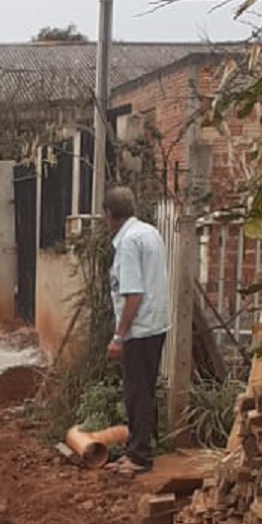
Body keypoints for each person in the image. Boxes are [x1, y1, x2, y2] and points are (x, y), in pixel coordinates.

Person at [102, 186, 170, 476]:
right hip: (156, 324)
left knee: (136, 392)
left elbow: (133, 294)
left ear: (109, 215)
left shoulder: (129, 242)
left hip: (139, 329)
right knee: (145, 389)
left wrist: (119, 336)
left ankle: (140, 456)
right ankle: (139, 446)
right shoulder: (149, 232)